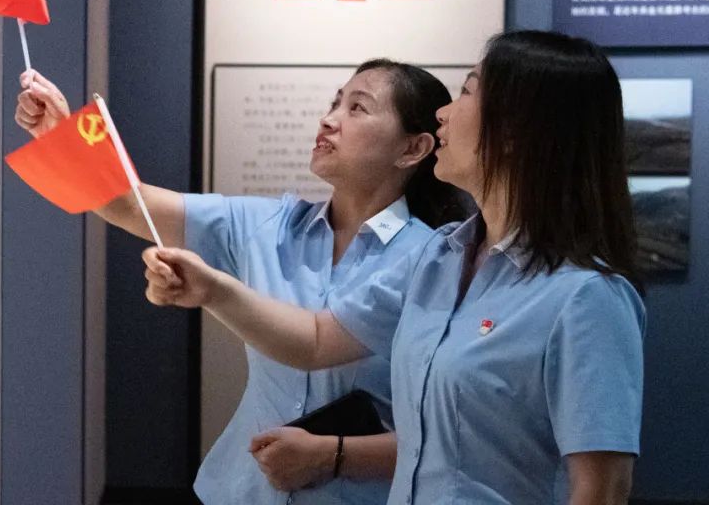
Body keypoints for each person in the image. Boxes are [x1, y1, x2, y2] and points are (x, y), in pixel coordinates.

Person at [144, 31, 646, 505]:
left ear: (516, 131)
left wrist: (332, 456)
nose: (444, 113)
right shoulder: (438, 259)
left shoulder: (585, 298)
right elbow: (316, 342)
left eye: (468, 91)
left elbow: (601, 491)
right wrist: (211, 289)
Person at [15, 60, 466, 505]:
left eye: (357, 108)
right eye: (335, 103)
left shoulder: (432, 258)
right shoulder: (268, 225)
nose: (329, 119)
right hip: (241, 489)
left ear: (413, 149)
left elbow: (442, 430)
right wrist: (61, 136)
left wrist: (335, 456)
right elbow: (133, 206)